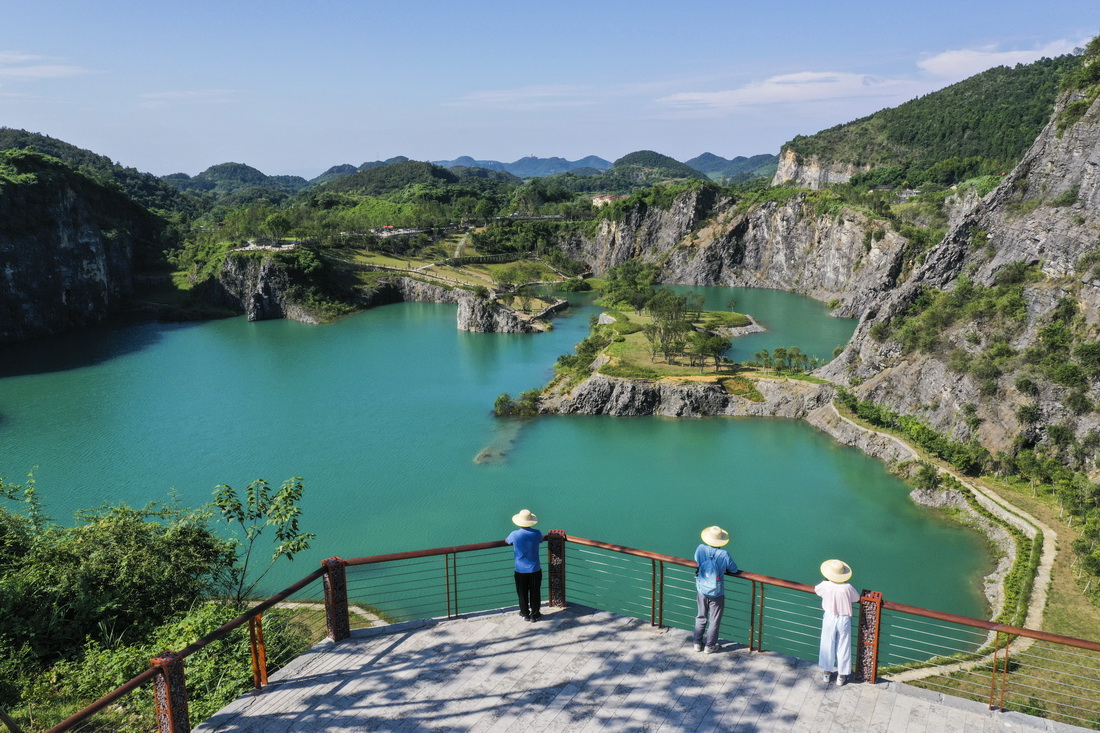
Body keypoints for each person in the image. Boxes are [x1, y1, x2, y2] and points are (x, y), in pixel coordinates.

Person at [815, 558, 861, 686]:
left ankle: (826, 673)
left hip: (829, 617)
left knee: (827, 643)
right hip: (844, 618)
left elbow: (817, 590)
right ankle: (841, 676)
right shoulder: (848, 587)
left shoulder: (825, 585)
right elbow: (856, 598)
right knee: (843, 646)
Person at [693, 525, 737, 653]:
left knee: (701, 616)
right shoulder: (724, 555)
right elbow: (733, 569)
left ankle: (697, 643)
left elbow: (697, 561)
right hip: (717, 592)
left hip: (701, 589)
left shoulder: (700, 549)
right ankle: (709, 646)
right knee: (714, 620)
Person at [505, 509, 545, 622]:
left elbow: (506, 541)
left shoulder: (514, 534)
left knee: (522, 592)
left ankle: (524, 613)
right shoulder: (537, 533)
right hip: (535, 569)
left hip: (520, 570)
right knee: (535, 591)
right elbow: (541, 540)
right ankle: (535, 614)